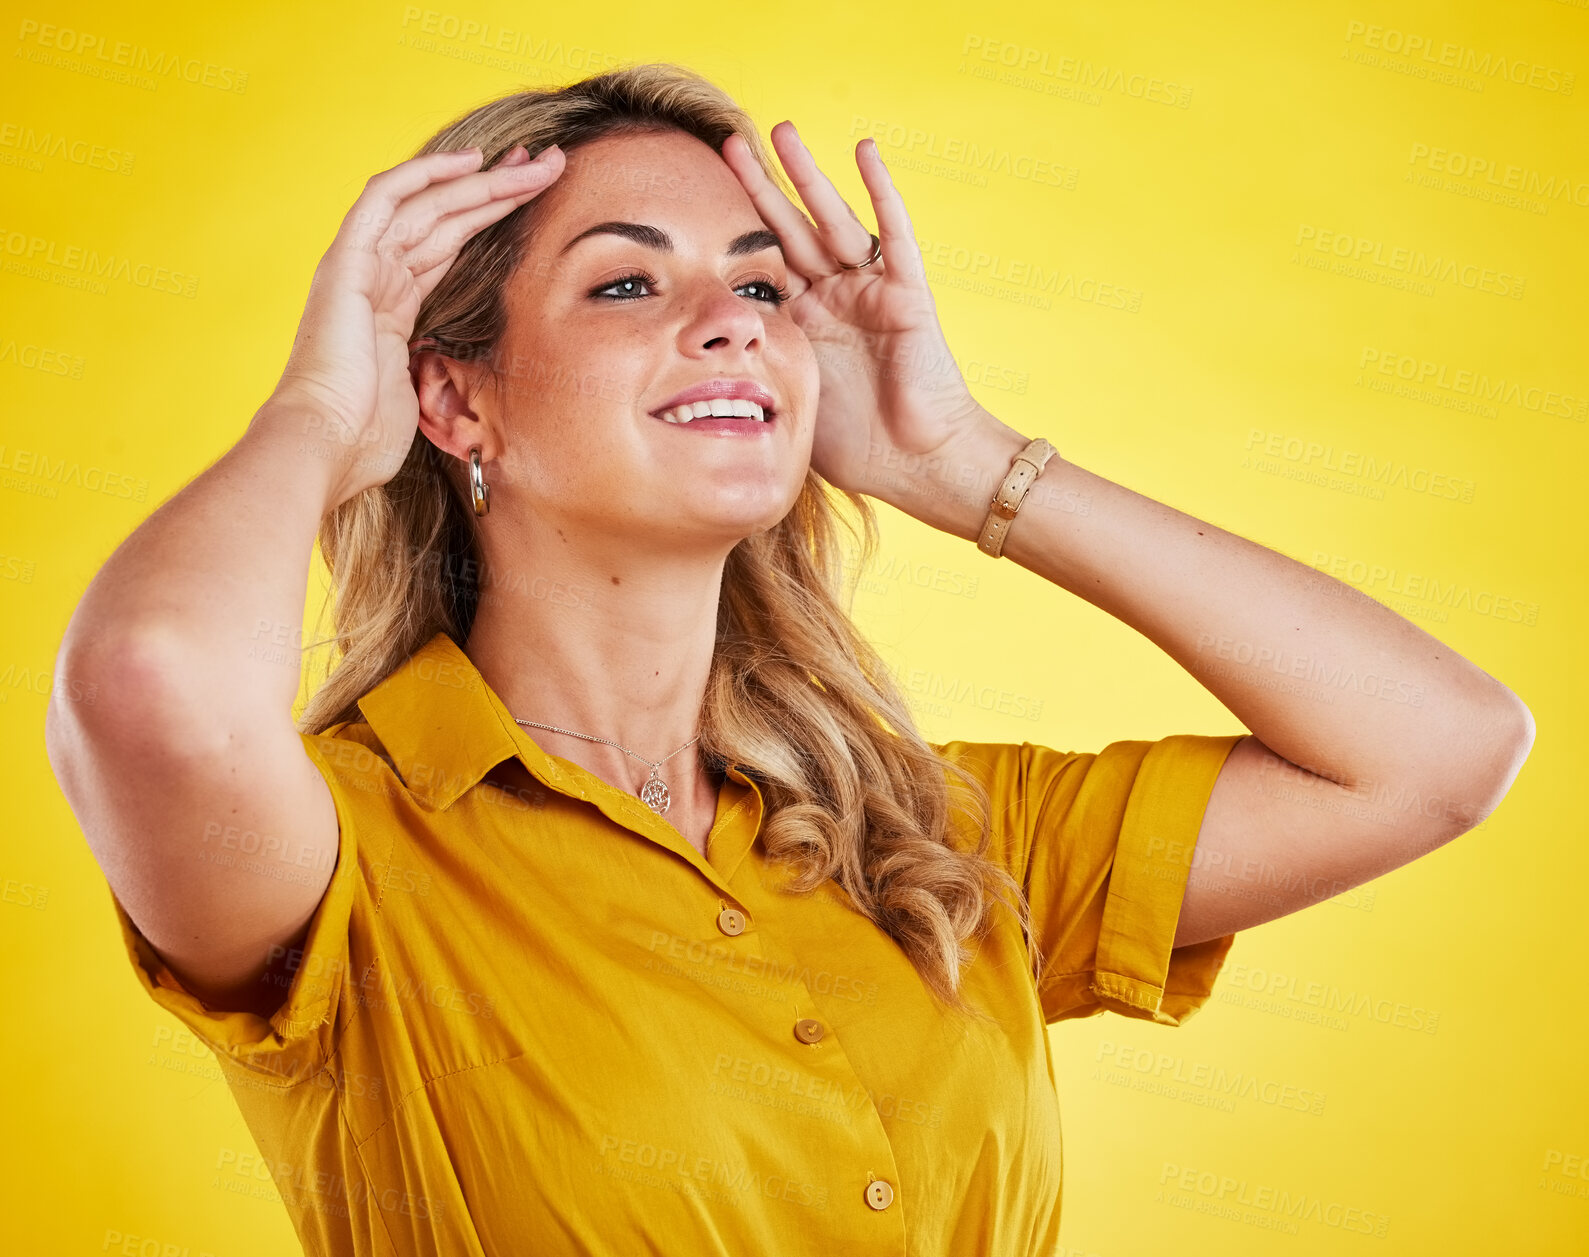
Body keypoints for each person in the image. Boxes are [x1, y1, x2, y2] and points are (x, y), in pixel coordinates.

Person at [45, 62, 1533, 1256]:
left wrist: (965, 461)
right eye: (630, 284)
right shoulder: (345, 861)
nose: (727, 325)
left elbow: (1437, 749)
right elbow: (152, 685)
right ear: (455, 399)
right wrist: (322, 411)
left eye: (760, 287)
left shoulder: (931, 841)